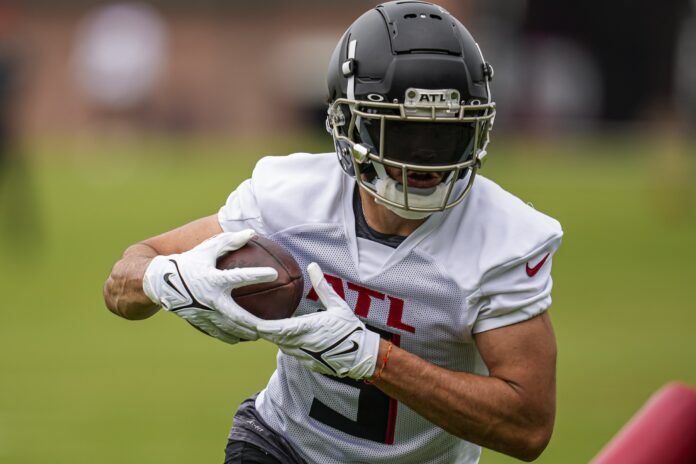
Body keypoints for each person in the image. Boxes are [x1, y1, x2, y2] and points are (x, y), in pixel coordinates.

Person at [103, 2, 562, 463]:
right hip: (284, 446)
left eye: (446, 133)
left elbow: (528, 428)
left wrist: (375, 360)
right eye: (402, 131)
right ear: (349, 125)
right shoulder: (292, 197)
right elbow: (123, 278)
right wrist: (165, 279)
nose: (425, 159)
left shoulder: (502, 239)